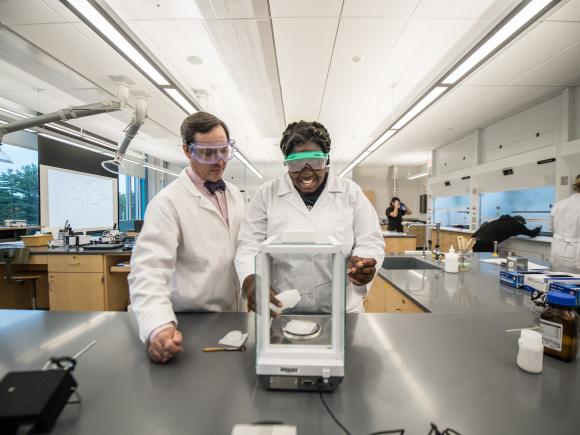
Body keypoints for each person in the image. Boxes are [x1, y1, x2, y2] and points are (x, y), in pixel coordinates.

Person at [128, 112, 246, 363]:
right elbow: (148, 271)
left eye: (224, 150)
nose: (219, 161)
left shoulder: (234, 194)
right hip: (190, 321)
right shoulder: (167, 203)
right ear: (186, 150)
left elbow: (243, 248)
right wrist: (158, 327)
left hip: (233, 318)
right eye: (207, 153)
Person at [235, 121, 384, 313]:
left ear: (327, 159)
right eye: (296, 163)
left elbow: (370, 240)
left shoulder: (351, 193)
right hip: (283, 309)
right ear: (286, 163)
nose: (306, 172)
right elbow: (249, 244)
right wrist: (250, 278)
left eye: (315, 161)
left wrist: (363, 260)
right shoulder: (266, 194)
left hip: (341, 311)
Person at [551, 175, 580, 268]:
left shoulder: (559, 204)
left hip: (558, 250)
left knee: (558, 279)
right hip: (576, 254)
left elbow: (551, 227)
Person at [472, 214, 541, 252]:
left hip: (474, 240)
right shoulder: (517, 224)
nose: (523, 225)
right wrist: (539, 227)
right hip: (487, 243)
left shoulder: (499, 221)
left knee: (477, 261)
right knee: (489, 262)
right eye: (523, 224)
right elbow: (532, 233)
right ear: (520, 222)